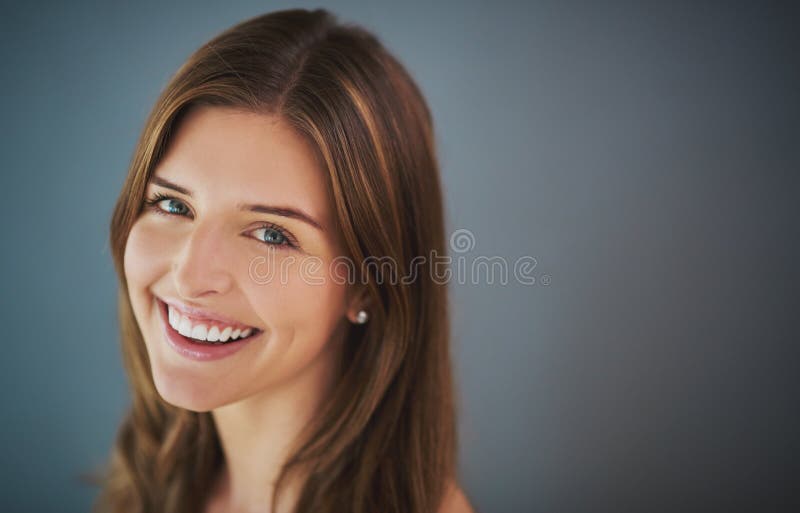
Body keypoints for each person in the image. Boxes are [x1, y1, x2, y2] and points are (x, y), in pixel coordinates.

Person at [92, 7, 474, 513]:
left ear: (367, 283)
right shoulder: (153, 488)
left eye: (272, 234)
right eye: (172, 205)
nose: (190, 275)